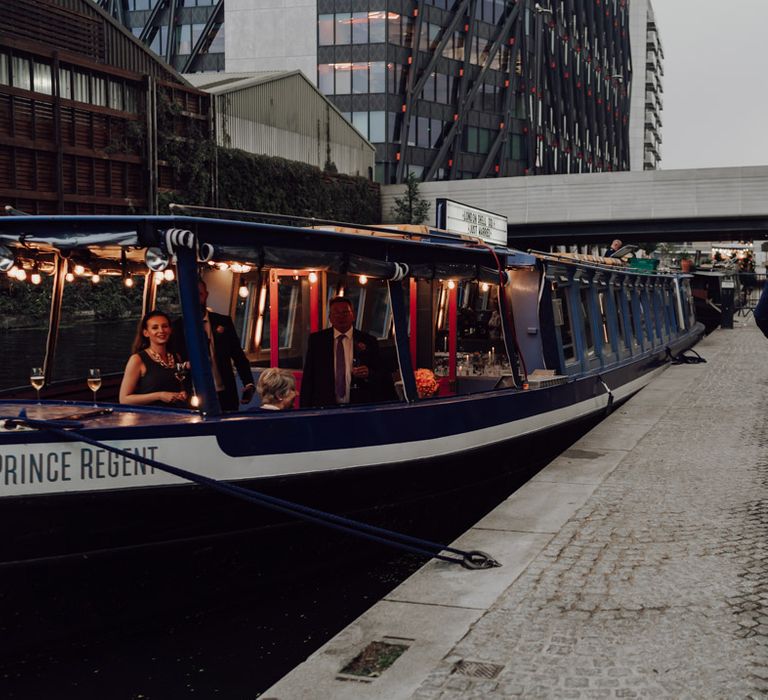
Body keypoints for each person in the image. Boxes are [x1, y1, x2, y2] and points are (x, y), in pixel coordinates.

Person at [172, 279, 256, 411]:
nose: (195, 299)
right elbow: (173, 362)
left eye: (199, 294)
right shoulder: (176, 327)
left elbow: (238, 356)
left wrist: (249, 383)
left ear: (206, 295)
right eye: (191, 296)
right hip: (193, 394)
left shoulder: (223, 322)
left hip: (225, 393)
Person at [300, 296, 395, 408]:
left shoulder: (368, 341)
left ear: (353, 316)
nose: (341, 316)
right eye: (336, 313)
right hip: (325, 405)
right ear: (330, 318)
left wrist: (369, 373)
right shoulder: (317, 340)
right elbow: (309, 377)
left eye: (345, 312)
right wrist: (305, 409)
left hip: (359, 405)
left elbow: (383, 374)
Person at [119, 311, 187, 407]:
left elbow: (177, 386)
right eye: (155, 327)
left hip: (177, 414)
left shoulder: (176, 356)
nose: (161, 331)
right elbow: (124, 399)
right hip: (151, 417)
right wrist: (159, 395)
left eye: (165, 326)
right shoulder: (137, 359)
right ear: (146, 333)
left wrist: (182, 394)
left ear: (170, 330)